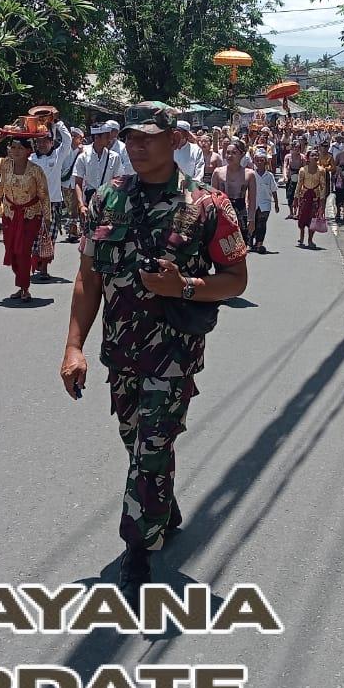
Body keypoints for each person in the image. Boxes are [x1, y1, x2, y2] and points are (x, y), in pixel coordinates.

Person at [61, 102, 248, 602]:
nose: (137, 146)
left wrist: (183, 286)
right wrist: (73, 346)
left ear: (176, 141)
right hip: (119, 351)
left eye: (149, 137)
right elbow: (88, 278)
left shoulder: (207, 206)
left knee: (152, 445)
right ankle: (161, 504)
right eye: (131, 137)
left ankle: (138, 546)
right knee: (137, 440)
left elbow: (235, 280)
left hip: (173, 353)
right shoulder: (106, 200)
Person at [0, 130, 51, 302]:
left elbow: (44, 195)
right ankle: (20, 284)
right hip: (10, 214)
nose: (15, 151)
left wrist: (47, 218)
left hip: (30, 216)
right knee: (13, 251)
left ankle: (25, 288)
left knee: (23, 251)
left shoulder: (36, 171)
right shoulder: (4, 164)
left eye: (20, 148)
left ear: (28, 151)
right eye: (13, 147)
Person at [28, 118, 72, 280]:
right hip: (34, 203)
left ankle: (44, 268)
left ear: (51, 142)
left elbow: (67, 140)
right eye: (38, 141)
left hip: (53, 202)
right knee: (33, 235)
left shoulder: (58, 155)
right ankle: (35, 264)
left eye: (44, 141)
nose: (41, 144)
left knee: (49, 236)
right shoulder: (31, 159)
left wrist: (58, 122)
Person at [73, 121, 130, 229]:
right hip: (89, 201)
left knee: (105, 235)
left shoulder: (115, 157)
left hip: (109, 202)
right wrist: (81, 205)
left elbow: (119, 180)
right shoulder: (83, 156)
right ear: (97, 137)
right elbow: (78, 183)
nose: (110, 139)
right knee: (89, 235)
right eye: (106, 136)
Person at [210, 140, 258, 245]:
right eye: (228, 152)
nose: (230, 156)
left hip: (240, 213)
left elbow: (252, 199)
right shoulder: (218, 172)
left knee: (240, 248)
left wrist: (251, 219)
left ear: (242, 154)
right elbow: (212, 198)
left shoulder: (249, 174)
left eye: (234, 153)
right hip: (222, 214)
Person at [294, 153, 328, 248]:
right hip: (304, 197)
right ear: (308, 158)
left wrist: (322, 201)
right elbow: (299, 184)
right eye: (313, 155)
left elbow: (323, 186)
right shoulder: (302, 170)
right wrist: (296, 198)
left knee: (313, 219)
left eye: (316, 155)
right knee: (301, 218)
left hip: (315, 198)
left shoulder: (321, 170)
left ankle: (310, 240)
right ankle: (301, 235)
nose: (315, 157)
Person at [250, 150, 280, 253]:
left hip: (265, 203)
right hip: (253, 202)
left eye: (261, 160)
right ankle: (251, 241)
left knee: (262, 224)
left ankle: (259, 244)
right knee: (253, 223)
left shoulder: (269, 176)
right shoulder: (251, 174)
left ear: (265, 162)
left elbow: (274, 190)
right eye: (257, 160)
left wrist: (276, 203)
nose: (259, 162)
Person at [61, 127, 84, 242]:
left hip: (77, 184)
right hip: (65, 183)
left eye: (75, 136)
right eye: (72, 135)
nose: (72, 137)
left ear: (80, 138)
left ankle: (74, 231)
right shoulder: (64, 149)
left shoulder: (84, 151)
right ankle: (74, 230)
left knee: (75, 209)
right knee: (70, 208)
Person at [282, 138, 307, 218]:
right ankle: (291, 212)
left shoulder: (302, 157)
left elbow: (304, 168)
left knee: (299, 195)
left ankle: (297, 212)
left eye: (298, 147)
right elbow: (285, 167)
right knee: (290, 195)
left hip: (299, 177)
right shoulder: (288, 157)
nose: (296, 149)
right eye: (295, 147)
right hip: (290, 177)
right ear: (292, 148)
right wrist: (285, 176)